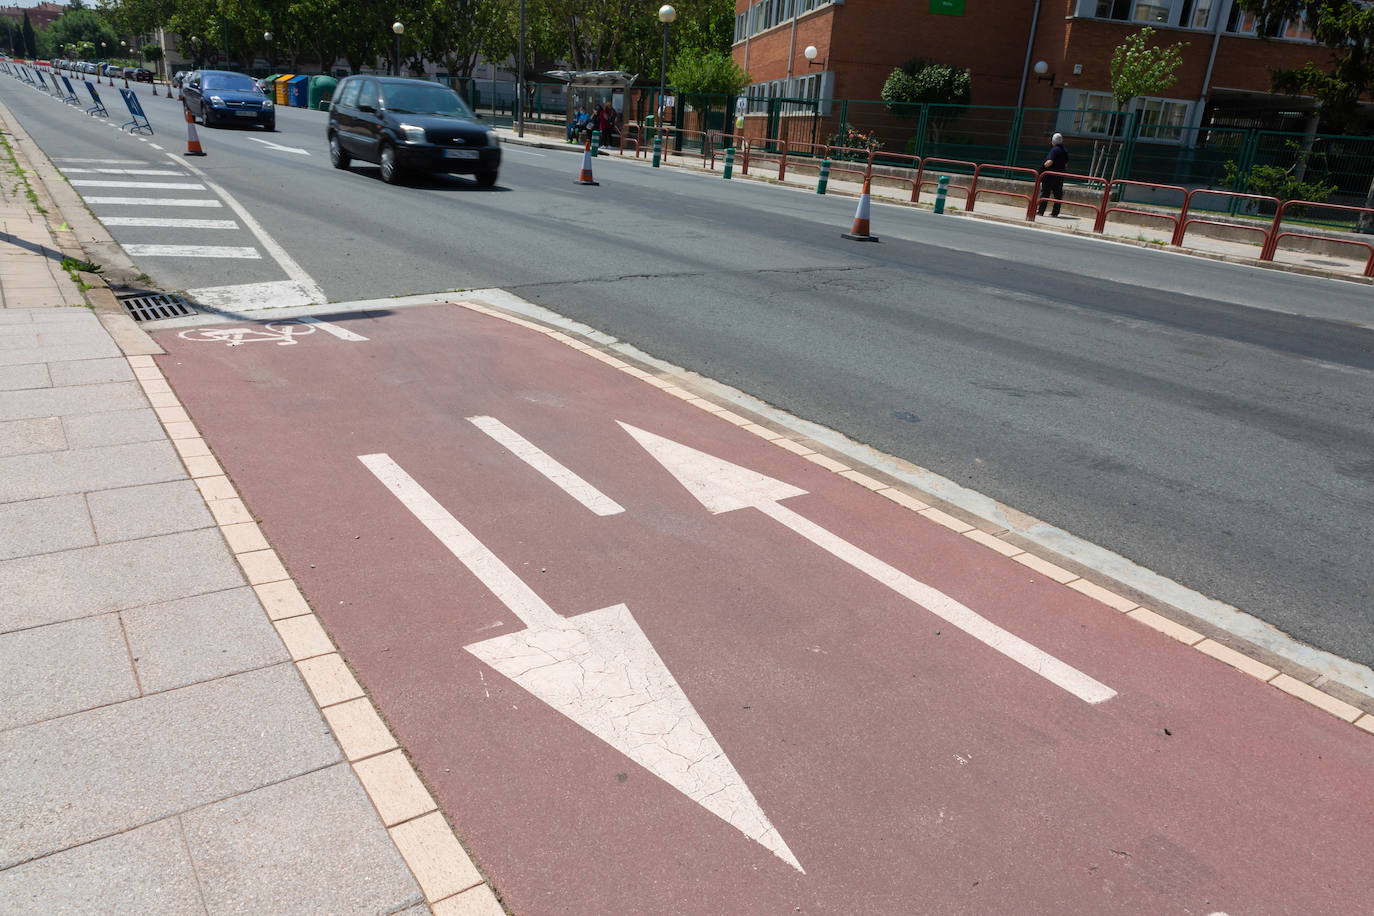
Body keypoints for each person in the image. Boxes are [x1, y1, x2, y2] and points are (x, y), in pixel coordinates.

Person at [1038, 132, 1069, 218]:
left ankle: (1041, 211)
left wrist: (1042, 167)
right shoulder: (1064, 150)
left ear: (1053, 141)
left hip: (1050, 175)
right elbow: (1066, 164)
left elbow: (1050, 162)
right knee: (1058, 194)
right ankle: (1055, 212)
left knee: (1045, 193)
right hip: (1060, 175)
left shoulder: (1054, 150)